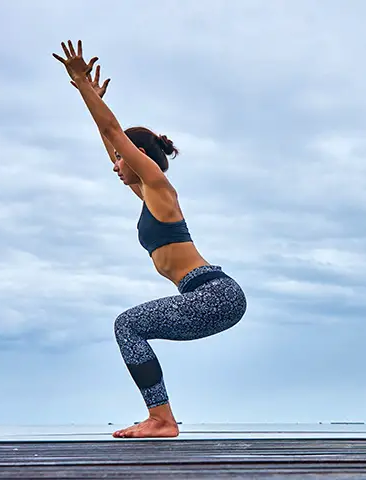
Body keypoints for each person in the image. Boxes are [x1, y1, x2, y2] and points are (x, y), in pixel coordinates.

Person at [53, 40, 247, 438]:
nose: (115, 167)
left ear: (139, 153)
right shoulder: (148, 194)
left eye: (123, 158)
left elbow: (113, 131)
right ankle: (161, 418)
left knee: (127, 325)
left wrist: (83, 85)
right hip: (207, 294)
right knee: (130, 326)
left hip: (215, 294)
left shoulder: (159, 186)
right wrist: (88, 97)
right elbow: (111, 142)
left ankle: (162, 420)